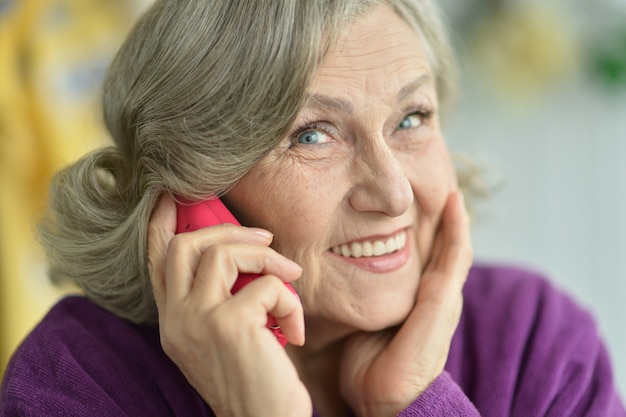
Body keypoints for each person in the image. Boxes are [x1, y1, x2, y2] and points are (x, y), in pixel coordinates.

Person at [1, 0, 624, 415]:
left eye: (412, 118)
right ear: (193, 189)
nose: (395, 194)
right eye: (312, 135)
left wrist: (413, 403)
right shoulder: (77, 376)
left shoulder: (536, 341)